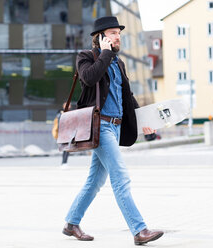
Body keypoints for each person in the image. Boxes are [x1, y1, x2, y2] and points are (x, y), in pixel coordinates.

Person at [62, 16, 164, 245]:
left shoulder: (118, 63)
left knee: (95, 181)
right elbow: (89, 78)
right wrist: (105, 54)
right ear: (100, 38)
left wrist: (141, 119)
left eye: (119, 33)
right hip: (99, 126)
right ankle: (139, 230)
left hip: (116, 127)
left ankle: (71, 222)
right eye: (113, 33)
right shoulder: (86, 57)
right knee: (121, 178)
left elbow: (127, 96)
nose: (118, 37)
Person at [52, 102, 70, 167]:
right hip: (62, 133)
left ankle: (64, 162)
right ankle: (64, 162)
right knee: (65, 148)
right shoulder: (60, 113)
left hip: (68, 133)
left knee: (67, 148)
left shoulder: (70, 113)